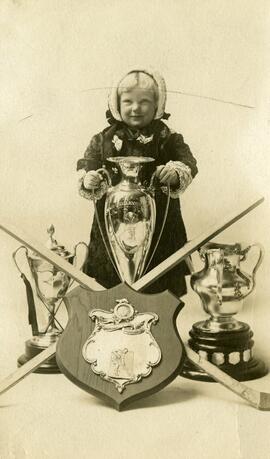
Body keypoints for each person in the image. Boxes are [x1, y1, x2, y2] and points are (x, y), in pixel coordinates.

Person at [77, 69, 198, 297]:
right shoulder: (104, 139)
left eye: (144, 102)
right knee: (111, 278)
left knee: (160, 278)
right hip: (114, 221)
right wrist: (89, 178)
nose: (135, 108)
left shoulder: (167, 136)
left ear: (157, 105)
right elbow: (89, 162)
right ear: (117, 103)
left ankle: (160, 319)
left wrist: (174, 173)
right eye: (128, 101)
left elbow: (188, 161)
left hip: (160, 220)